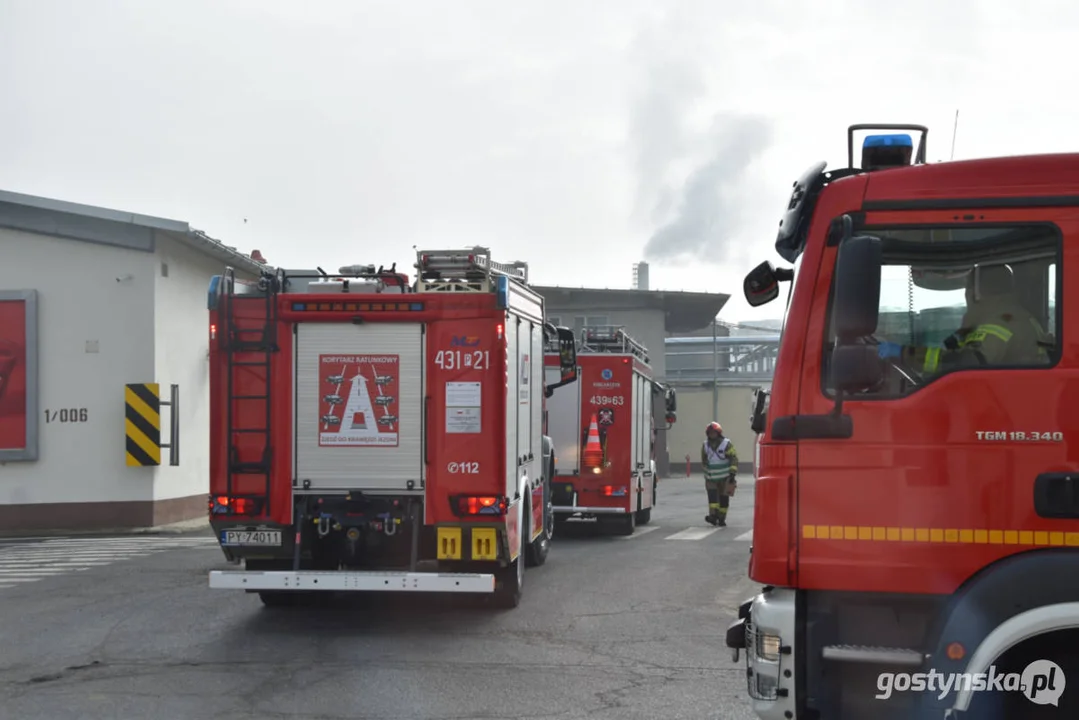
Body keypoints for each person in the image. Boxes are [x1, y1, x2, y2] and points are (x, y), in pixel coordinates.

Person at [877, 263, 1051, 373]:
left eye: (967, 288)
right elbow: (952, 348)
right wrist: (964, 330)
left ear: (977, 292)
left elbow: (961, 365)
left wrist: (903, 353)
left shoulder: (1000, 325)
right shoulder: (1013, 317)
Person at [702, 422, 737, 527]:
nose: (712, 435)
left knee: (723, 499)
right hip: (711, 478)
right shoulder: (705, 445)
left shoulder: (726, 444)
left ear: (718, 433)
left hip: (725, 477)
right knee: (712, 499)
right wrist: (706, 474)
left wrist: (732, 473)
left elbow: (734, 458)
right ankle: (713, 516)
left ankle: (721, 518)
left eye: (714, 433)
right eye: (710, 433)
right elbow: (704, 460)